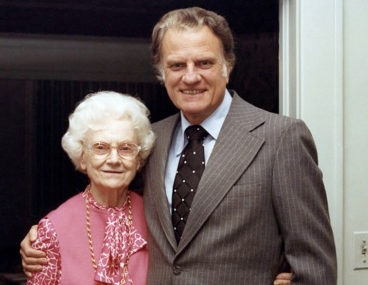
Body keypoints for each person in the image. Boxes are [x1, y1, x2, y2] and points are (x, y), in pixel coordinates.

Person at [21, 6, 337, 284]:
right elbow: (112, 201)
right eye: (176, 65)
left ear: (227, 65)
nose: (190, 77)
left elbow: (315, 267)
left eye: (204, 63)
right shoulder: (150, 141)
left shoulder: (281, 138)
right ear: (161, 72)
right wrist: (42, 238)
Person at [25, 91, 155, 284]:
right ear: (82, 157)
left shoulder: (157, 219)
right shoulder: (53, 229)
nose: (113, 160)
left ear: (138, 159)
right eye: (100, 148)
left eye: (125, 148)